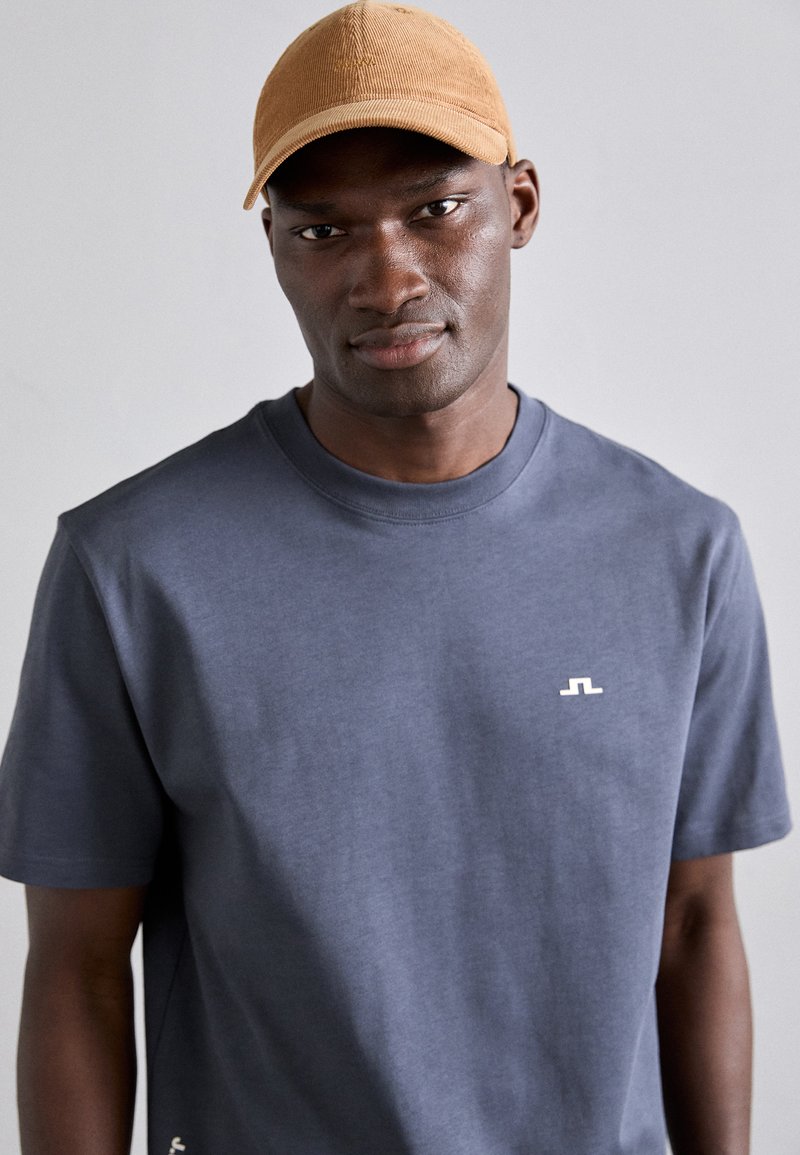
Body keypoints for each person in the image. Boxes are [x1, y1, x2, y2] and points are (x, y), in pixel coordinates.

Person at [0, 2, 792, 1152]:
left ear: (519, 205)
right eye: (324, 230)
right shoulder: (132, 567)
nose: (386, 278)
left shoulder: (677, 552)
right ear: (273, 246)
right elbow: (76, 970)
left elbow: (694, 925)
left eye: (435, 210)